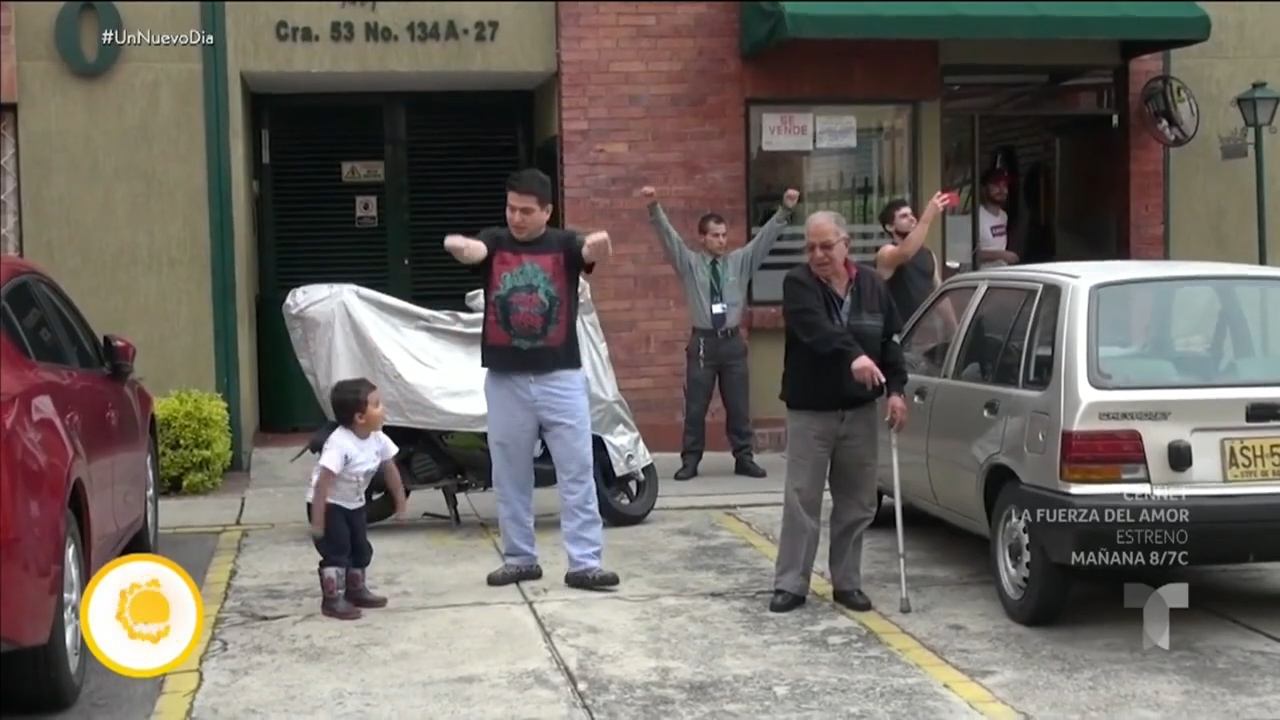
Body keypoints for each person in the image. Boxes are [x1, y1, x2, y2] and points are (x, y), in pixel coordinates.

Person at [443, 168, 619, 590]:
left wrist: (598, 246)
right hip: (506, 379)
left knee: (577, 470)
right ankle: (520, 558)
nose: (516, 218)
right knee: (509, 475)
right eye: (511, 209)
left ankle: (585, 564)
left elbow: (590, 251)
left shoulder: (564, 244)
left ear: (547, 211)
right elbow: (474, 251)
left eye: (526, 211)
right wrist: (461, 246)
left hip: (562, 376)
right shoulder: (495, 240)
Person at [769, 211, 909, 614]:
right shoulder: (798, 283)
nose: (818, 255)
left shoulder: (873, 285)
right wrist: (854, 357)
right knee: (802, 499)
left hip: (860, 410)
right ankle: (791, 583)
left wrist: (896, 391)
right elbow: (817, 330)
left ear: (846, 244)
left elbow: (891, 341)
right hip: (811, 411)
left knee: (858, 502)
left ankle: (847, 582)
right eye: (811, 247)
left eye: (826, 246)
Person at [640, 185, 801, 481]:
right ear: (702, 238)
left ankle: (744, 457)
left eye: (724, 235)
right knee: (696, 407)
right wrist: (654, 207)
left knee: (738, 405)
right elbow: (669, 238)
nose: (722, 240)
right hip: (703, 343)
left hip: (732, 342)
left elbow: (764, 240)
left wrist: (785, 210)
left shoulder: (739, 262)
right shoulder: (690, 264)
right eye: (715, 235)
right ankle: (690, 460)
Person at [307, 377, 407, 621]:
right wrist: (318, 522)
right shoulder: (339, 444)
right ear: (360, 417)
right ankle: (332, 599)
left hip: (355, 503)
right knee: (337, 549)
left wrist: (400, 502)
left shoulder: (378, 439)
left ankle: (356, 589)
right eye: (377, 404)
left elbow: (391, 470)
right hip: (329, 504)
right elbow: (322, 484)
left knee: (360, 547)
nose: (383, 409)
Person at [874, 192, 950, 322]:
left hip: (926, 331)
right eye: (904, 216)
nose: (912, 219)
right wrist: (927, 217)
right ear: (890, 227)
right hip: (900, 331)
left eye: (911, 215)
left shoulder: (928, 254)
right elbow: (905, 253)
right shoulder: (885, 253)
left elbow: (939, 294)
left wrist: (953, 327)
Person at [975, 168, 1019, 269]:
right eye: (996, 185)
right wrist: (1002, 255)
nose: (1001, 190)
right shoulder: (976, 217)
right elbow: (972, 254)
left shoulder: (1003, 216)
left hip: (1000, 272)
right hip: (982, 274)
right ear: (984, 188)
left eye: (1004, 185)